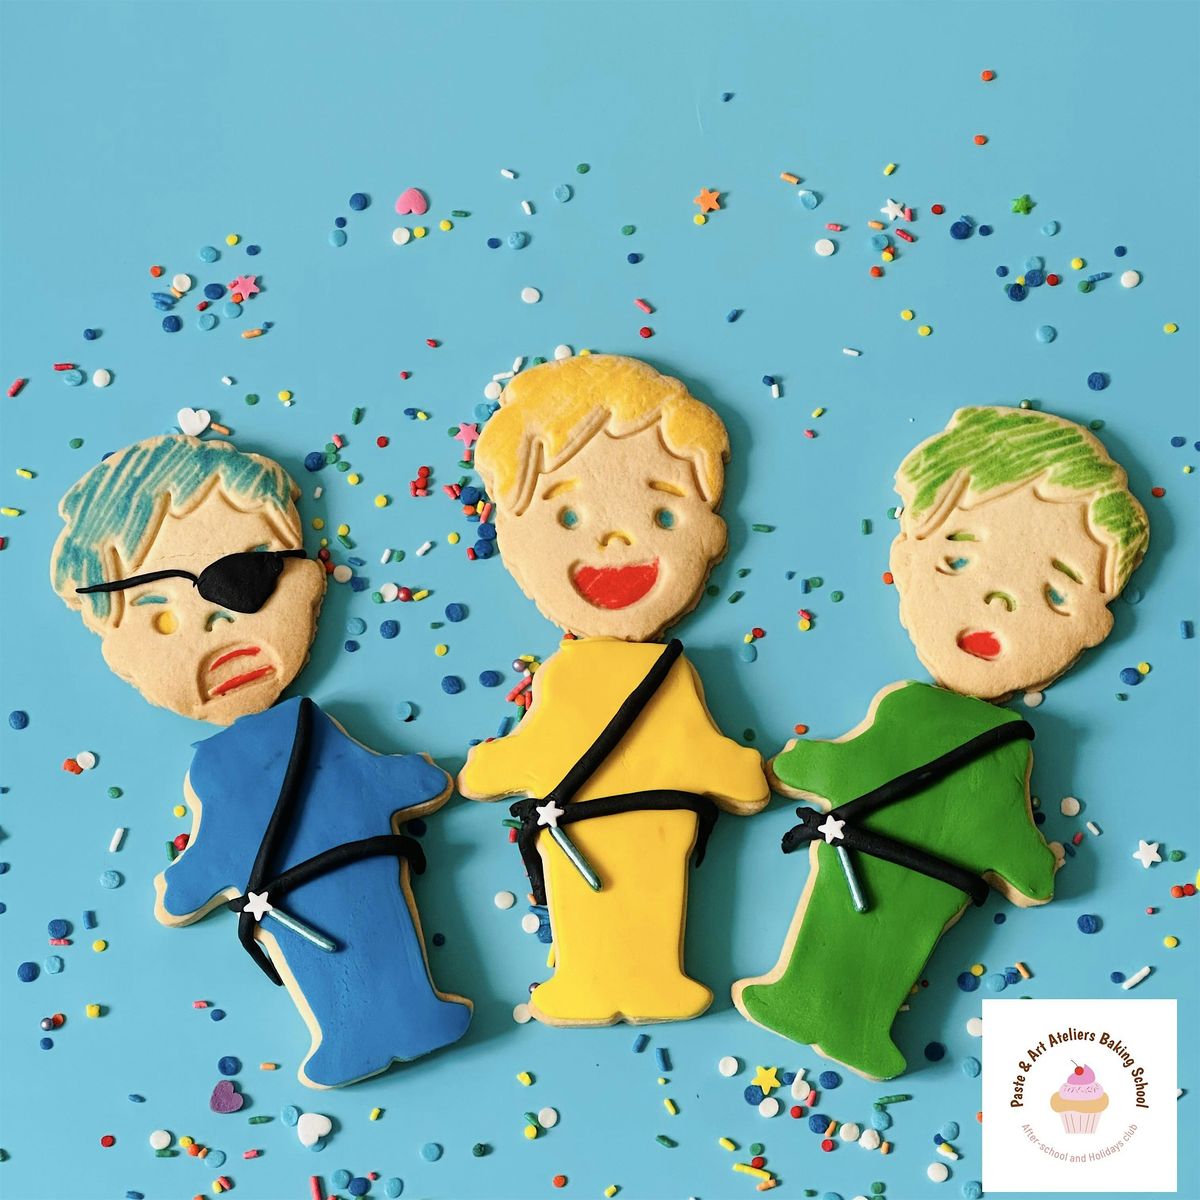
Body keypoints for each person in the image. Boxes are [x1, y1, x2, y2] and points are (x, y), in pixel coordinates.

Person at [733, 407, 1148, 1080]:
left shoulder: (1004, 741)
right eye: (960, 559)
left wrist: (1028, 870)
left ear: (1094, 625)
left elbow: (999, 820)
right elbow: (863, 763)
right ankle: (797, 998)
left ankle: (855, 1025)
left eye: (1052, 592)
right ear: (906, 560)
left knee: (892, 951)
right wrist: (814, 764)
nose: (998, 602)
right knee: (844, 930)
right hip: (866, 856)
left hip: (916, 879)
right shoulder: (914, 707)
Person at [53, 435, 471, 1087]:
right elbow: (220, 841)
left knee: (385, 941)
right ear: (123, 654)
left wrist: (410, 779)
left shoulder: (311, 725)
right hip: (294, 903)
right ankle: (359, 1034)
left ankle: (415, 1013)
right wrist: (190, 884)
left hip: (356, 874)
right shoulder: (220, 763)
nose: (215, 625)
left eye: (243, 583)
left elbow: (370, 779)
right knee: (331, 968)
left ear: (308, 578)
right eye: (162, 620)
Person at [459, 354, 769, 1026]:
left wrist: (734, 772)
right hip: (584, 827)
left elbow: (692, 742)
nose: (617, 538)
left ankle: (656, 980)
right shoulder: (571, 671)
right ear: (514, 541)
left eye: (662, 513)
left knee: (652, 901)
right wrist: (502, 765)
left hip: (649, 823)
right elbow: (545, 741)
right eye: (568, 517)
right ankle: (585, 982)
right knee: (589, 907)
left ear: (710, 532)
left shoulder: (665, 671)